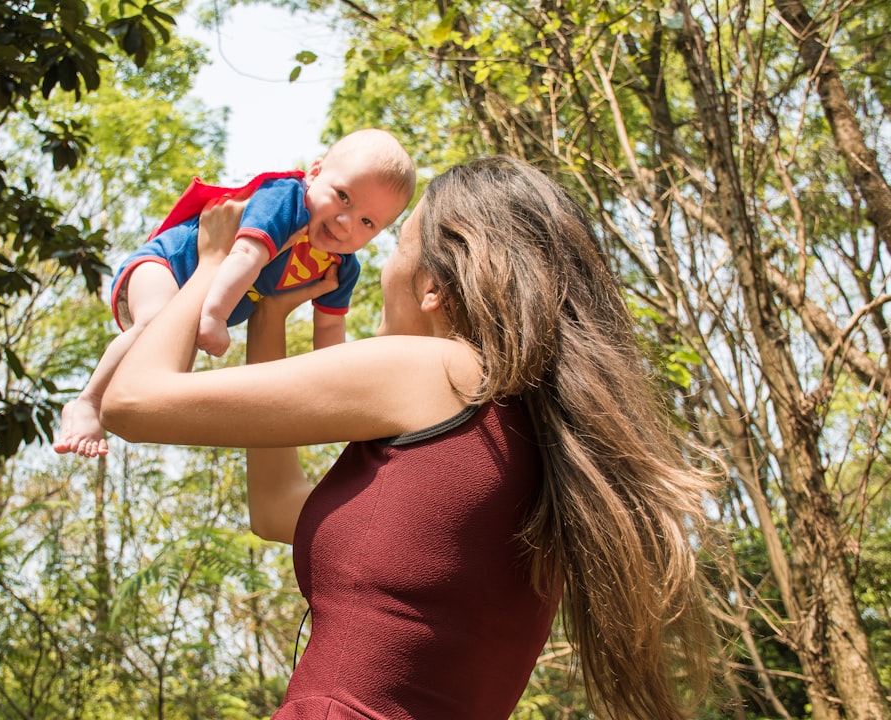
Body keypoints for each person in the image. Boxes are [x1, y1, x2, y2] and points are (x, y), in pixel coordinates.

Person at [100, 156, 719, 719]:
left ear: (434, 288)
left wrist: (211, 263)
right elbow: (276, 508)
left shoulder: (440, 371)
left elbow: (132, 402)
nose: (379, 267)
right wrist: (271, 315)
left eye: (395, 244)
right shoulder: (527, 436)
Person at [54, 128, 416, 457]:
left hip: (199, 300)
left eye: (367, 222)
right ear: (315, 173)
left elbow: (330, 332)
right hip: (168, 264)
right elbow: (245, 254)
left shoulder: (340, 267)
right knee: (153, 322)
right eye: (343, 197)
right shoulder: (286, 201)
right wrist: (214, 315)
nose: (345, 222)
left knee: (169, 372)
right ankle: (88, 401)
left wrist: (340, 391)